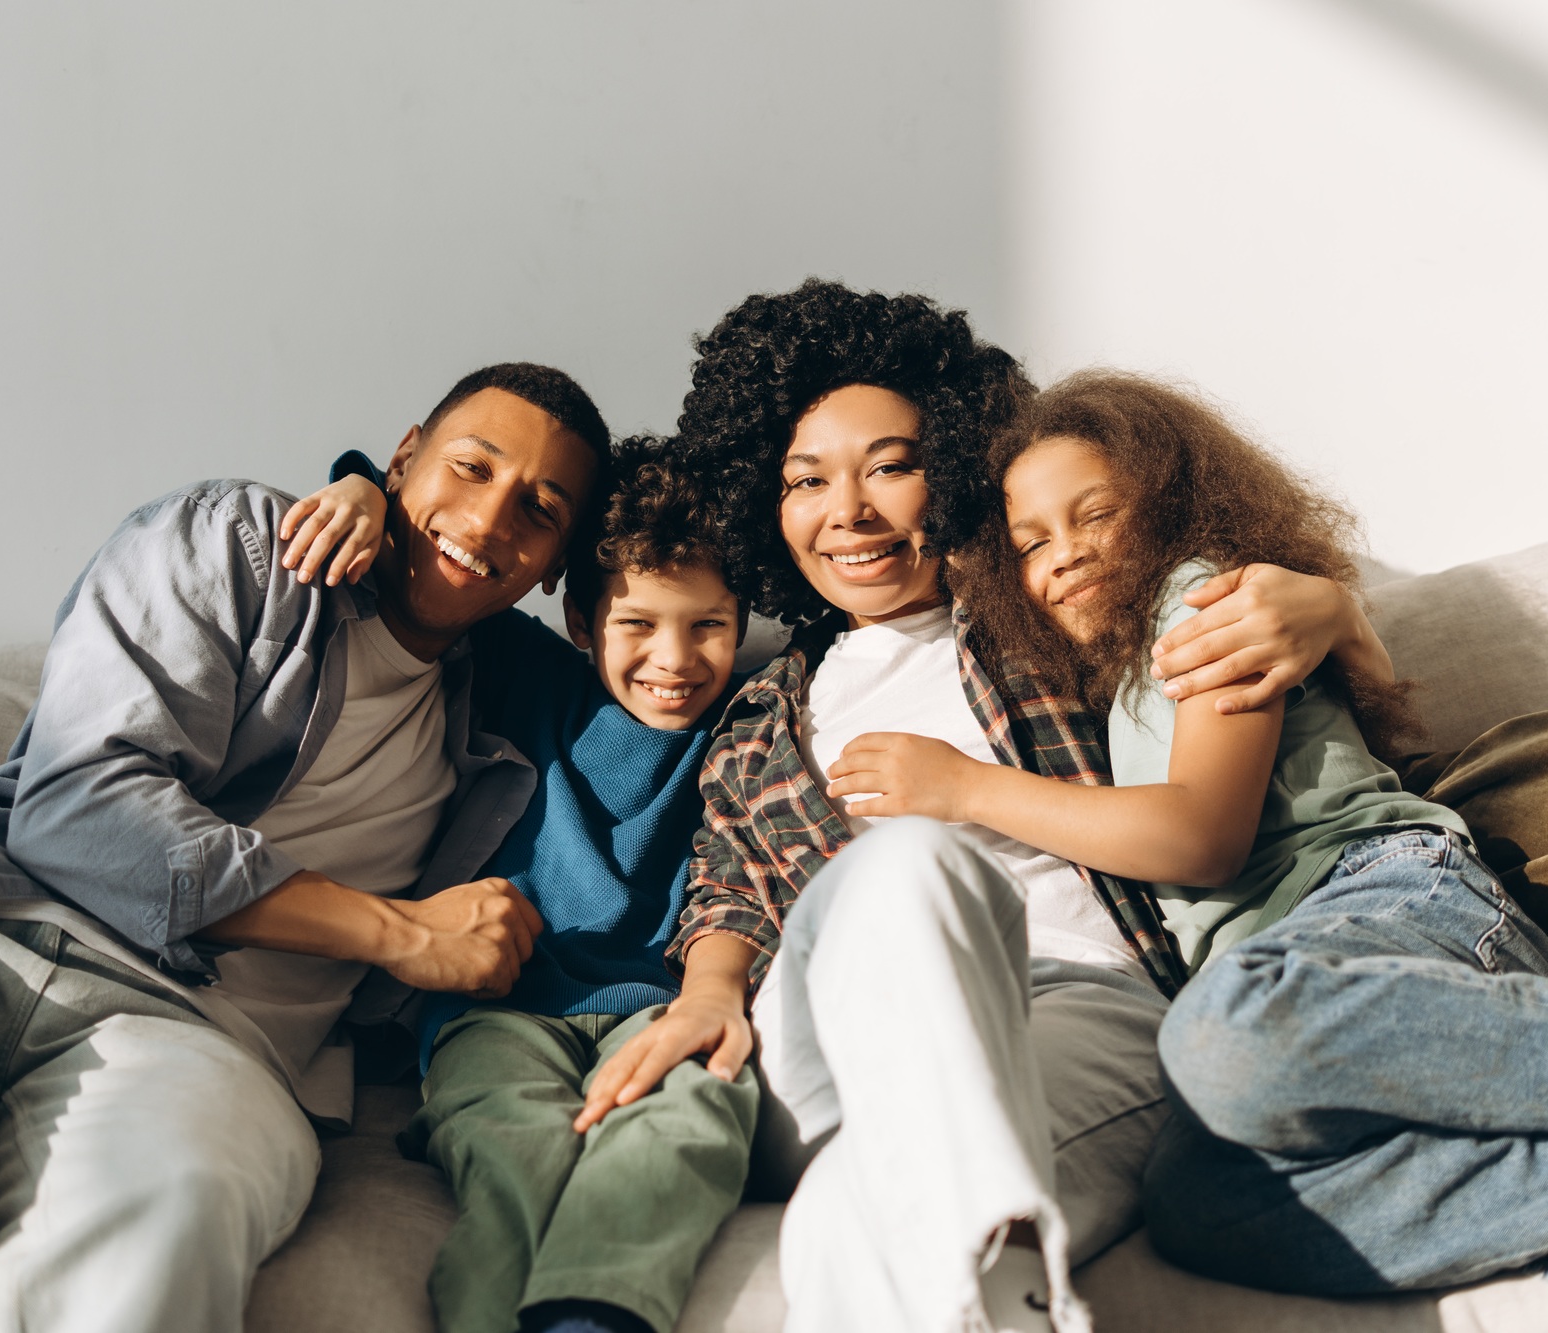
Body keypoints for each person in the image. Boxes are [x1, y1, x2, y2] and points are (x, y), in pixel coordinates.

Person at [0, 362, 610, 1333]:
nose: (490, 518)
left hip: (207, 1047)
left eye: (540, 509)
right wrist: (395, 932)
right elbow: (81, 805)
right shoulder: (246, 547)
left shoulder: (519, 704)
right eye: (469, 468)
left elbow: (677, 631)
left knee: (153, 1242)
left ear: (555, 568)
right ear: (403, 460)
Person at [581, 280, 1390, 1333]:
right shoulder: (751, 721)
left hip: (1080, 999)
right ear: (763, 508)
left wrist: (1333, 605)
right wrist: (703, 992)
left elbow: (1216, 602)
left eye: (891, 467)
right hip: (829, 1038)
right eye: (805, 480)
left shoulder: (1046, 611)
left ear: (954, 470)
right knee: (905, 868)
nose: (849, 511)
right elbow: (727, 889)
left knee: (846, 1216)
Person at [939, 369, 1548, 1296]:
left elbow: (1199, 838)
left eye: (1094, 514)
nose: (1064, 553)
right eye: (1031, 542)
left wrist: (967, 787)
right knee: (1196, 1197)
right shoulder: (1113, 685)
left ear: (1169, 503)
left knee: (1224, 1030)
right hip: (1302, 968)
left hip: (1386, 895)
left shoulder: (1202, 607)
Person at [288, 439, 759, 1333]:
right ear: (582, 622)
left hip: (661, 1008)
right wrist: (355, 480)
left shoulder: (753, 720)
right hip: (497, 1008)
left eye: (709, 625)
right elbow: (422, 548)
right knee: (510, 1145)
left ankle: (591, 1319)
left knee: (692, 1117)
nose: (676, 659)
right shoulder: (523, 673)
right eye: (638, 625)